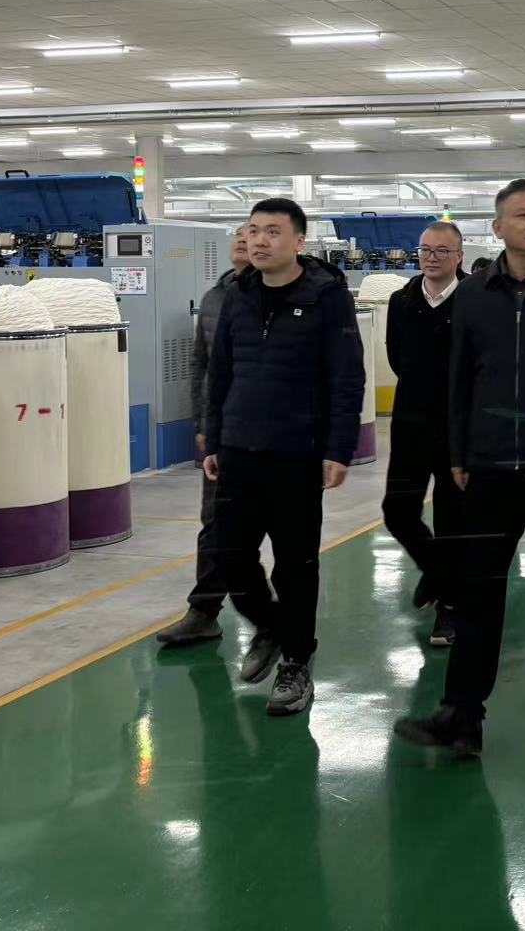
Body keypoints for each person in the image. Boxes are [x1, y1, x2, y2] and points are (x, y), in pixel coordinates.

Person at [394, 179, 525, 756]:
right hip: (485, 468)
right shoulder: (474, 295)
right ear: (499, 228)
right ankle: (462, 714)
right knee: (478, 589)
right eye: (524, 215)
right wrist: (459, 453)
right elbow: (459, 377)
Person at [203, 198, 365, 716]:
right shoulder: (238, 295)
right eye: (253, 230)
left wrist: (338, 448)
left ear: (298, 241)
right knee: (230, 557)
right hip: (239, 449)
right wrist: (214, 437)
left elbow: (347, 376)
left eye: (273, 231)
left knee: (296, 565)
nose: (259, 240)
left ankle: (296, 661)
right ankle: (272, 627)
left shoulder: (326, 298)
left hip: (298, 452)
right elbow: (220, 372)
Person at [158, 226, 250, 647]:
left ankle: (285, 623)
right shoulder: (214, 297)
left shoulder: (283, 298)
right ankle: (203, 612)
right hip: (222, 434)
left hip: (270, 435)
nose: (245, 241)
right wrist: (201, 423)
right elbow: (200, 365)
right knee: (214, 523)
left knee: (280, 530)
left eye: (257, 234)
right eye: (240, 235)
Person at [382, 221, 466, 647]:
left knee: (452, 520)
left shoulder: (475, 301)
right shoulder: (402, 301)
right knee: (397, 511)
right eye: (426, 250)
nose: (431, 258)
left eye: (442, 251)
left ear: (459, 257)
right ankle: (436, 572)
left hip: (457, 430)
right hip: (410, 426)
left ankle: (450, 609)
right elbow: (397, 358)